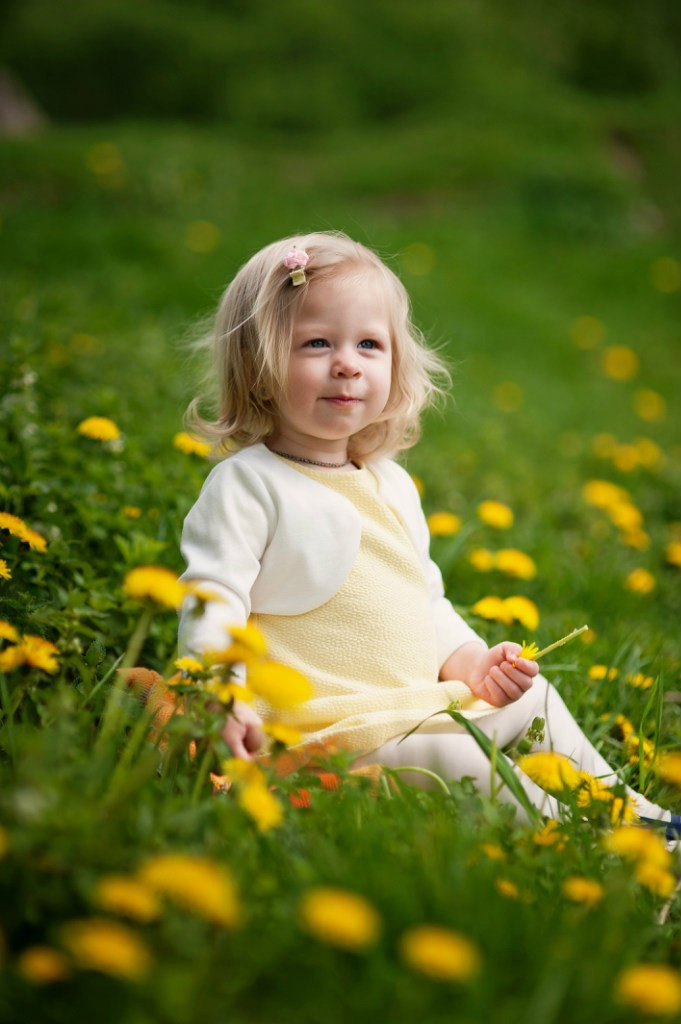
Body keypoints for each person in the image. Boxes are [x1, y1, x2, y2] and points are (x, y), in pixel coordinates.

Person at [178, 230, 674, 830]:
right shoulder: (248, 485)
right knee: (454, 754)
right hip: (323, 728)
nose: (346, 363)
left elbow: (424, 599)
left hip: (408, 706)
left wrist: (468, 661)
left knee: (538, 702)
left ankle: (636, 815)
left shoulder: (388, 484)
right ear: (257, 368)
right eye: (315, 343)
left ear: (395, 363)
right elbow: (213, 597)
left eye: (368, 344)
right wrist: (220, 691)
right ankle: (582, 839)